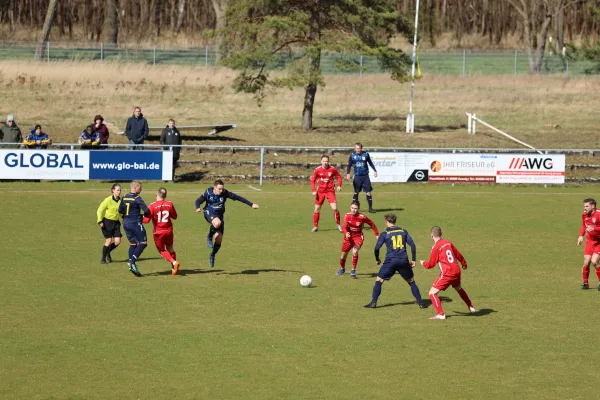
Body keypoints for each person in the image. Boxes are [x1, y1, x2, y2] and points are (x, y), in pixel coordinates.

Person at [364, 213, 426, 309]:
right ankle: (421, 303)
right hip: (403, 260)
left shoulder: (385, 233)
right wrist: (413, 259)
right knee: (411, 281)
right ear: (395, 221)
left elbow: (377, 248)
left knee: (379, 280)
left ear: (386, 222)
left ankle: (373, 302)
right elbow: (413, 245)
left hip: (390, 261)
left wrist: (377, 259)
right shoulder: (403, 231)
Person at [195, 179, 259, 268]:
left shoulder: (225, 193)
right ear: (215, 188)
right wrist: (198, 207)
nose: (221, 191)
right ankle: (209, 237)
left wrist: (251, 204)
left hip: (219, 216)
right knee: (217, 223)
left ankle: (212, 254)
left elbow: (238, 198)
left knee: (219, 238)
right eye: (219, 189)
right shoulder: (208, 192)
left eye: (222, 189)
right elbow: (198, 200)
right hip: (209, 212)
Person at [420, 226, 476, 320]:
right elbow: (458, 254)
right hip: (456, 271)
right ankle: (471, 307)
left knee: (432, 293)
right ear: (441, 234)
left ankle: (441, 314)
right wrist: (464, 263)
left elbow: (431, 265)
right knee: (458, 288)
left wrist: (423, 263)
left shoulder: (436, 247)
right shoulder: (448, 243)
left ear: (431, 236)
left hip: (447, 273)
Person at [143, 187, 180, 275]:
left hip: (158, 232)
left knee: (161, 250)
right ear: (165, 195)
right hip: (169, 231)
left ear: (157, 195)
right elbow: (175, 216)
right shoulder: (169, 204)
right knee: (170, 247)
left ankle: (174, 263)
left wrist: (138, 217)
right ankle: (174, 269)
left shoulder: (152, 205)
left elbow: (146, 220)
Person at [337, 200, 379, 278]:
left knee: (355, 251)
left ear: (358, 209)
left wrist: (376, 234)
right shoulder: (347, 215)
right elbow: (344, 227)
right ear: (350, 207)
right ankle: (342, 268)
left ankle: (353, 270)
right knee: (343, 256)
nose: (353, 210)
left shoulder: (362, 217)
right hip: (348, 238)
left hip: (358, 237)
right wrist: (346, 233)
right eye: (352, 208)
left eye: (355, 208)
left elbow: (372, 224)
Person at [118, 180, 150, 277]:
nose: (141, 190)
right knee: (143, 243)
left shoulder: (124, 197)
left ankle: (130, 262)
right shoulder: (137, 198)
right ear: (135, 188)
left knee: (133, 243)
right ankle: (132, 262)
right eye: (140, 188)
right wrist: (142, 216)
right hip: (135, 223)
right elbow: (146, 210)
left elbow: (120, 210)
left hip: (126, 223)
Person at [310, 154, 343, 232]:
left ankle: (338, 224)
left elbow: (339, 177)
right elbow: (312, 181)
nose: (325, 162)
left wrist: (339, 185)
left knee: (334, 208)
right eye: (324, 161)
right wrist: (314, 190)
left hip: (330, 191)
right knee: (317, 209)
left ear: (328, 162)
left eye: (327, 161)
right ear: (321, 161)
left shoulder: (332, 169)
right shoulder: (317, 170)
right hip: (320, 192)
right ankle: (315, 226)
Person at [346, 142, 378, 213]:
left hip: (365, 176)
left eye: (359, 148)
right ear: (355, 148)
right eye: (356, 148)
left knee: (369, 192)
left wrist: (375, 170)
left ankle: (370, 208)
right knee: (356, 192)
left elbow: (370, 163)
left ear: (361, 148)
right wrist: (348, 173)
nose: (358, 150)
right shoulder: (352, 155)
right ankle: (354, 209)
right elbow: (349, 165)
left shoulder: (366, 154)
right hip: (357, 176)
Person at [577, 198, 600, 290]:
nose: (585, 208)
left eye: (587, 206)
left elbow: (592, 228)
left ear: (593, 206)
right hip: (590, 241)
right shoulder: (584, 214)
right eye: (584, 206)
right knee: (586, 262)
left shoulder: (599, 214)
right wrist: (581, 236)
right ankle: (585, 283)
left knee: (594, 261)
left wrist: (594, 229)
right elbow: (584, 225)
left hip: (599, 242)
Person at [96, 184, 122, 264]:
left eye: (120, 190)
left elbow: (121, 212)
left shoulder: (121, 201)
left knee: (117, 241)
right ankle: (103, 259)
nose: (119, 192)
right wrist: (99, 221)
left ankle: (108, 251)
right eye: (117, 190)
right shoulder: (108, 200)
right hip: (107, 222)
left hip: (116, 223)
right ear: (113, 190)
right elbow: (100, 210)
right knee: (109, 240)